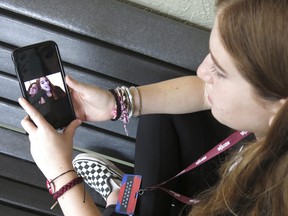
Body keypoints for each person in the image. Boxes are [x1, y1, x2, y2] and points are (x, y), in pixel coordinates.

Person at [18, 0, 288, 215]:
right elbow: (205, 93)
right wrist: (116, 103)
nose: (202, 71)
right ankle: (121, 196)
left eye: (220, 70)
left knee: (131, 208)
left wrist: (60, 175)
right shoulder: (275, 113)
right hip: (217, 182)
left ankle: (117, 197)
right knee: (162, 112)